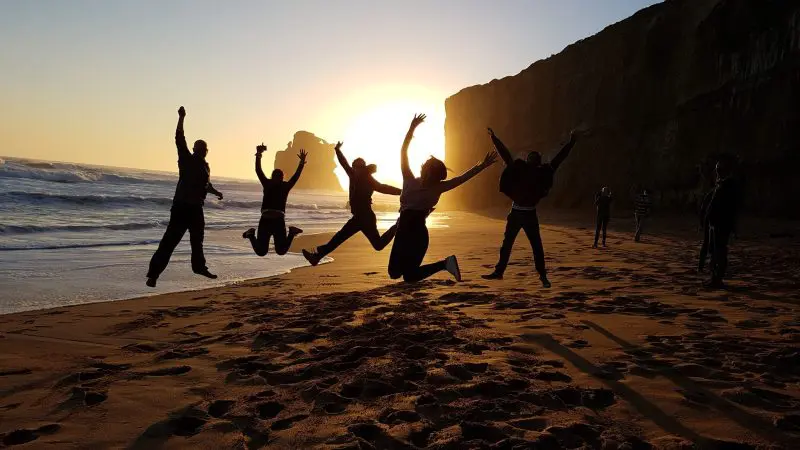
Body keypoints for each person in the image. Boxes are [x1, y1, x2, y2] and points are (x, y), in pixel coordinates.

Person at [388, 114, 497, 282]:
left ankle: (445, 264)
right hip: (403, 231)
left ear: (432, 173)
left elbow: (462, 178)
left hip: (416, 233)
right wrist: (411, 128)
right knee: (394, 273)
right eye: (427, 168)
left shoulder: (437, 186)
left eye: (430, 170)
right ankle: (444, 264)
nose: (426, 170)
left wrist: (482, 166)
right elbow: (403, 152)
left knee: (409, 276)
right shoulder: (409, 178)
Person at [482, 127, 581, 287]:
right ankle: (499, 272)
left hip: (529, 215)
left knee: (536, 246)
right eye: (530, 156)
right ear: (528, 159)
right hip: (515, 213)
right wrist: (495, 139)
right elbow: (506, 155)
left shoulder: (543, 171)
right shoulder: (521, 168)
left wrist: (571, 143)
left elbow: (559, 158)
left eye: (534, 157)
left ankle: (542, 276)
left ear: (538, 161)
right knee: (508, 244)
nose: (532, 158)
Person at [146, 106, 223, 287]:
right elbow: (179, 138)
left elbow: (205, 185)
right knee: (169, 242)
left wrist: (215, 192)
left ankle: (199, 267)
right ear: (194, 149)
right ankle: (153, 275)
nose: (200, 151)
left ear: (206, 151)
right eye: (198, 148)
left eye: (203, 149)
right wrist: (181, 118)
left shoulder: (206, 167)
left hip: (196, 208)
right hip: (181, 207)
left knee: (197, 241)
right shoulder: (186, 159)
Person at [303, 141, 401, 265]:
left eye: (359, 166)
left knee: (346, 238)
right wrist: (337, 150)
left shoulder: (368, 179)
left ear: (363, 167)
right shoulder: (353, 175)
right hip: (360, 217)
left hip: (365, 216)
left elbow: (384, 188)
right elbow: (344, 163)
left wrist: (402, 192)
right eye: (355, 166)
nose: (356, 169)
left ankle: (397, 225)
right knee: (367, 243)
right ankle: (316, 256)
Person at [242, 143, 306, 256]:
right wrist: (258, 154)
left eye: (279, 177)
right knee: (262, 252)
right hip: (269, 221)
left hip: (276, 221)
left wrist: (259, 154)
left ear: (281, 178)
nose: (277, 179)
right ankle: (251, 234)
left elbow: (258, 170)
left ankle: (291, 233)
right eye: (276, 177)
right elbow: (258, 171)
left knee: (280, 251)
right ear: (274, 177)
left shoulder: (279, 185)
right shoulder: (269, 184)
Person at [704, 157, 741, 288]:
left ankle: (717, 279)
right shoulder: (722, 185)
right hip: (716, 224)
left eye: (719, 169)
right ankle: (715, 277)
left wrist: (732, 226)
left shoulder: (728, 187)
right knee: (714, 251)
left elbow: (731, 208)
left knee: (719, 252)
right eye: (717, 169)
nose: (717, 172)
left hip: (721, 225)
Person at [697, 188, 714, 273]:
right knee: (709, 245)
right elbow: (703, 210)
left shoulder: (712, 193)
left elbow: (702, 210)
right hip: (712, 222)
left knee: (708, 245)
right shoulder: (713, 193)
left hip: (711, 222)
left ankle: (702, 267)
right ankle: (708, 267)